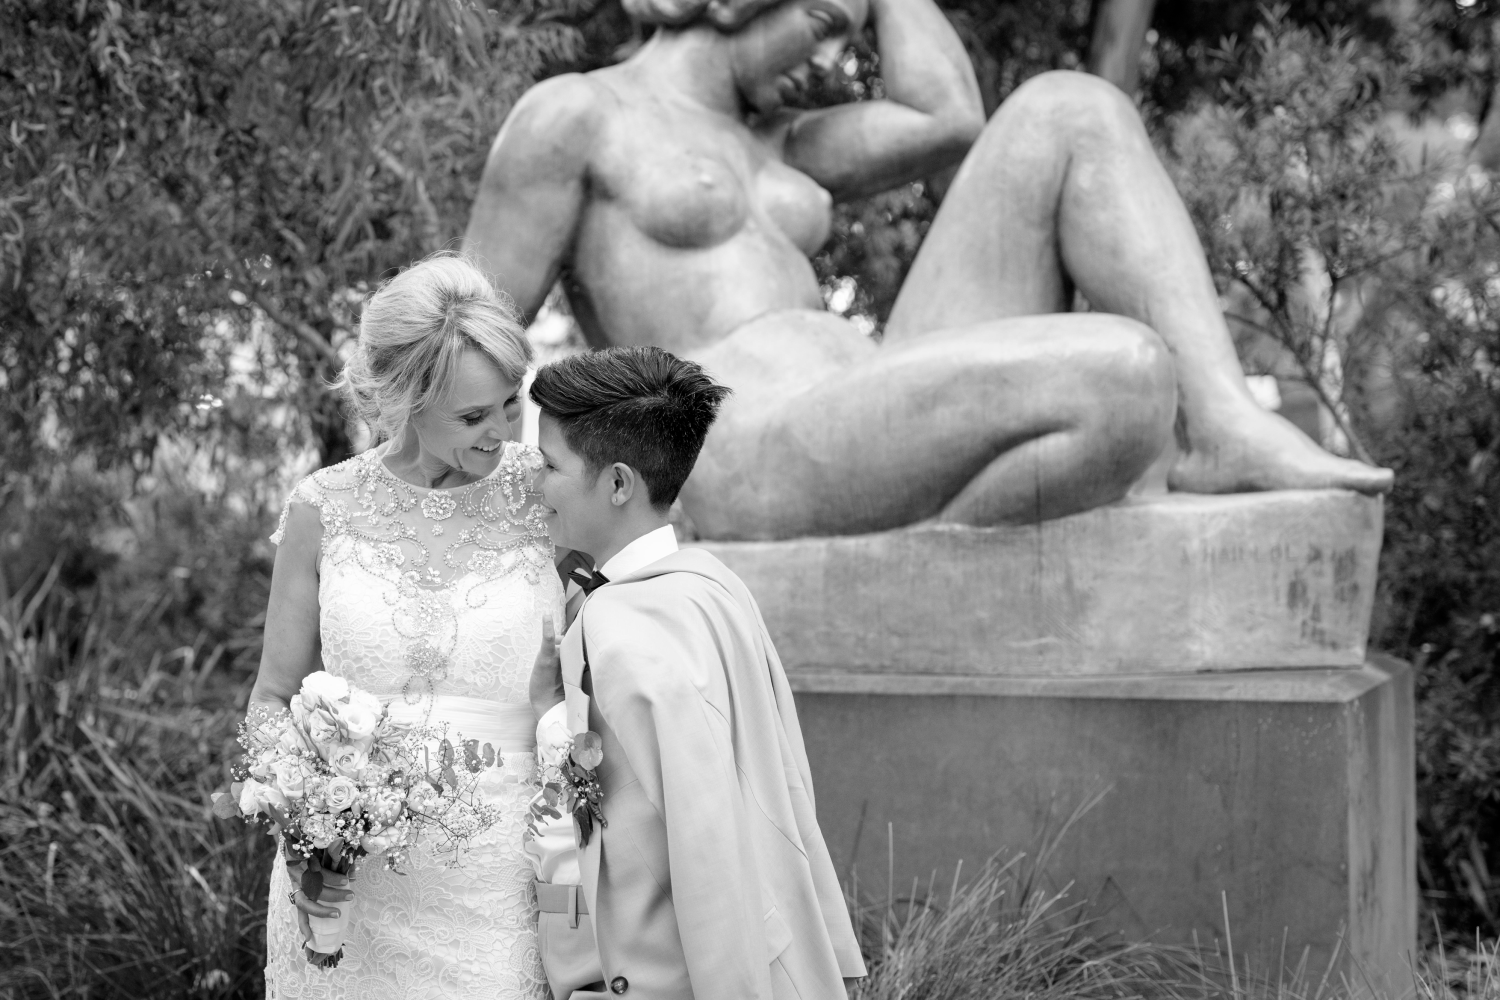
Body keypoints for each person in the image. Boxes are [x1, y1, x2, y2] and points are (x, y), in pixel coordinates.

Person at [464, 0, 1392, 542]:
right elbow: (466, 333)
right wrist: (504, 524)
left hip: (859, 399)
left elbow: (948, 115)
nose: (834, 59)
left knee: (1072, 109)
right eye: (823, 23)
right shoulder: (579, 116)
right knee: (1127, 374)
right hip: (741, 444)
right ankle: (923, 548)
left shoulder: (780, 143)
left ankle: (1224, 424)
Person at [249, 253, 560, 999]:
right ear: (406, 401)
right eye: (473, 416)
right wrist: (302, 820)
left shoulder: (548, 494)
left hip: (502, 885)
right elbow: (272, 697)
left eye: (510, 403)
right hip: (345, 891)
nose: (501, 431)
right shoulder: (323, 506)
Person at [526, 345, 866, 999]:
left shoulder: (618, 630)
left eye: (549, 465)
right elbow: (783, 781)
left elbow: (698, 835)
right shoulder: (714, 584)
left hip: (671, 972)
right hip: (769, 941)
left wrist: (548, 717)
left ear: (618, 483)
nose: (535, 485)